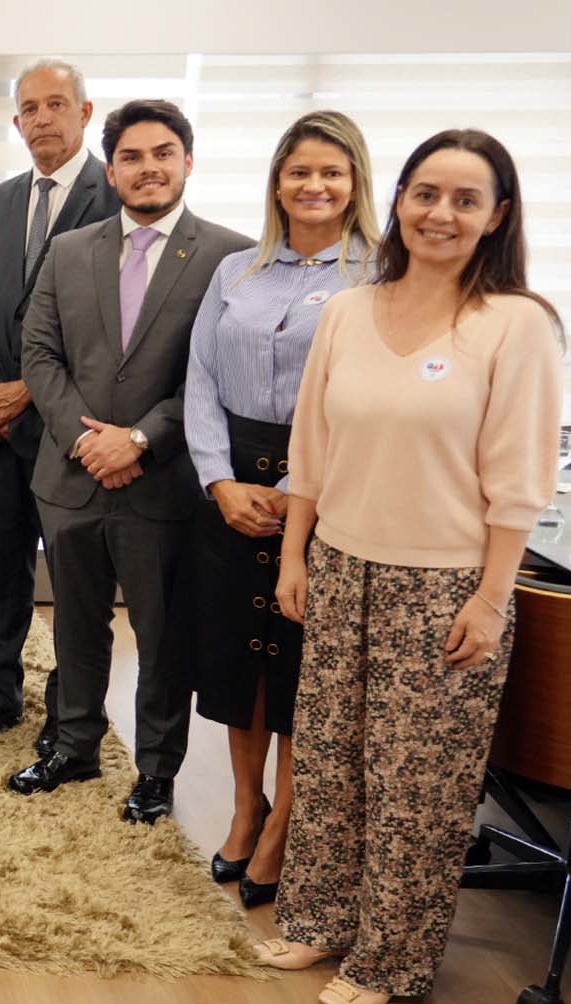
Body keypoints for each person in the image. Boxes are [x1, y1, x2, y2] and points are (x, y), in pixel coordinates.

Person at [259, 130, 563, 1004]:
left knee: (414, 785)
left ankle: (389, 959)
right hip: (342, 562)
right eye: (426, 193)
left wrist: (493, 600)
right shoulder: (351, 309)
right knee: (327, 761)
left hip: (444, 584)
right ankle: (317, 919)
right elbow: (310, 448)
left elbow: (520, 481)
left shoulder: (517, 324)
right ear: (397, 200)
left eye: (466, 200)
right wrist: (294, 555)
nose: (441, 213)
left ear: (497, 216)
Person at [14, 99, 252, 824]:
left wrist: (140, 439)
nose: (148, 168)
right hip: (71, 480)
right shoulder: (70, 249)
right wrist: (85, 440)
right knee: (75, 629)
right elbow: (39, 353)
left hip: (164, 483)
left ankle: (155, 772)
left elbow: (214, 379)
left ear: (186, 161)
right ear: (111, 169)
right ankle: (76, 745)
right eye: (132, 157)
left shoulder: (230, 257)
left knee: (160, 641)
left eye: (162, 154)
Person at [184, 111, 380, 908]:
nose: (314, 185)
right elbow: (199, 381)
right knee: (238, 663)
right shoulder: (235, 271)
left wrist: (310, 489)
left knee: (303, 667)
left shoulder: (379, 277)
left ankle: (285, 825)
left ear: (357, 182)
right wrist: (218, 481)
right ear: (277, 182)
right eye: (299, 170)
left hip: (328, 490)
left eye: (332, 172)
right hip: (234, 485)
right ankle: (244, 805)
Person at [0, 58, 119, 752]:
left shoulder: (112, 194)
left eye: (56, 104)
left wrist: (30, 387)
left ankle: (65, 713)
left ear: (84, 114)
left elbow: (110, 323)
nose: (42, 118)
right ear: (15, 121)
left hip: (68, 424)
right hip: (0, 427)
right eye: (30, 107)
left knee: (78, 585)